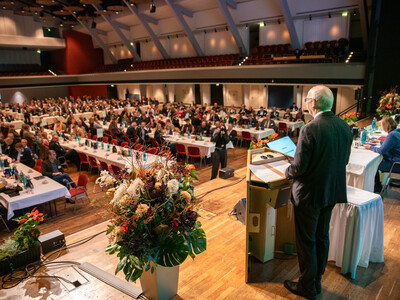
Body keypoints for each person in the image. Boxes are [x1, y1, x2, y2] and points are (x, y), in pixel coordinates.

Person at [284, 85, 352, 299]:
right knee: (322, 236)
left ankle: (307, 286)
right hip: (331, 192)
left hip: (309, 195)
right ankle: (316, 280)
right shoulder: (344, 126)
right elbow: (344, 161)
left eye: (307, 100)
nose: (306, 103)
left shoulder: (310, 128)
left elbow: (299, 168)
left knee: (306, 241)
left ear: (313, 102)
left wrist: (287, 169)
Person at [364, 116, 400, 192]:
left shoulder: (392, 135)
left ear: (386, 125)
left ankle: (377, 186)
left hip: (395, 164)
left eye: (382, 125)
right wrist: (379, 141)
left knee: (372, 164)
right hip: (397, 160)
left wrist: (370, 147)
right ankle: (377, 185)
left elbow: (381, 150)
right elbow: (390, 144)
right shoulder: (396, 132)